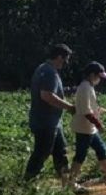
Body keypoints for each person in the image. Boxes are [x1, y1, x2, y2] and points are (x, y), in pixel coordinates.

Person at [24, 44, 76, 183]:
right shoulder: (49, 72)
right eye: (66, 59)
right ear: (59, 57)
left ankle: (68, 183)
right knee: (42, 152)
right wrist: (69, 107)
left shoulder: (43, 69)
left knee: (61, 152)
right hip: (45, 122)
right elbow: (47, 95)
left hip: (52, 122)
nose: (66, 63)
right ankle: (28, 182)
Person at [69, 62, 106, 188]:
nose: (99, 79)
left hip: (89, 127)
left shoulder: (88, 86)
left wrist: (98, 110)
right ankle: (71, 182)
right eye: (98, 76)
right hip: (84, 127)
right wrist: (99, 124)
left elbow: (89, 107)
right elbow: (86, 111)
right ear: (91, 75)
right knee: (81, 155)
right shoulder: (84, 87)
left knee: (101, 149)